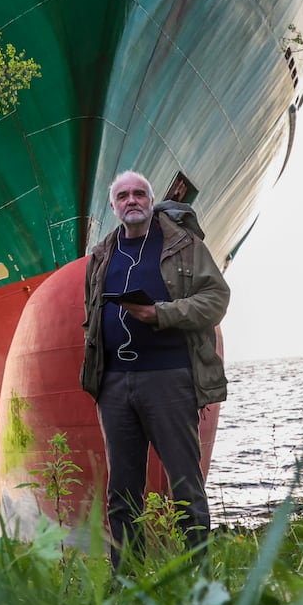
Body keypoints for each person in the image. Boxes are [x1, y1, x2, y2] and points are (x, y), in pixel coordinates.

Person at [80, 170, 229, 569]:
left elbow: (216, 298)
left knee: (185, 483)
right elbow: (90, 315)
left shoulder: (183, 244)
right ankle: (126, 582)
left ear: (151, 200)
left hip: (169, 379)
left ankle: (199, 579)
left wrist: (160, 314)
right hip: (114, 385)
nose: (132, 201)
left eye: (140, 194)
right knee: (121, 491)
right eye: (124, 196)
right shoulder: (100, 255)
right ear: (112, 206)